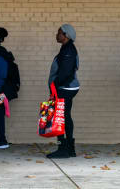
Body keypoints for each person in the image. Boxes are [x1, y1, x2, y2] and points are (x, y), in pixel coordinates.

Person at [47, 24, 80, 159]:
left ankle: (63, 149)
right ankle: (70, 149)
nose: (57, 35)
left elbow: (65, 73)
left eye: (59, 33)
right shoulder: (66, 48)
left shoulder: (68, 51)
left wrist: (53, 87)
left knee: (60, 117)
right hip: (66, 87)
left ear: (66, 35)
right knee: (65, 116)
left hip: (65, 88)